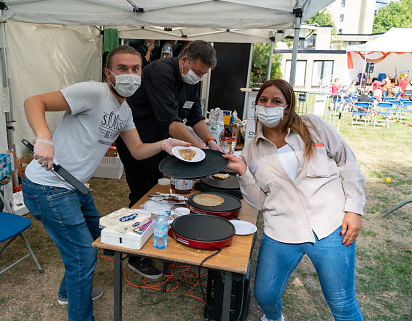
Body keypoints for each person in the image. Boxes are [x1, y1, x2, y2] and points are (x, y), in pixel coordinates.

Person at [21, 45, 188, 321]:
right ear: (108, 73)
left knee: (97, 238)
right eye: (122, 69)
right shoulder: (92, 91)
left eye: (136, 69)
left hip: (75, 186)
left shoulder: (124, 111)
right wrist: (43, 136)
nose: (130, 75)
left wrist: (164, 144)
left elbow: (136, 150)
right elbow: (33, 101)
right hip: (49, 187)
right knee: (83, 256)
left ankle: (69, 293)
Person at [224, 79, 365, 321]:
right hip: (282, 231)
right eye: (263, 101)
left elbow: (347, 162)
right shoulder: (252, 149)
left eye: (276, 101)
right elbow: (258, 201)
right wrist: (244, 172)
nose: (268, 106)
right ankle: (273, 317)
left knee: (342, 302)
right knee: (265, 294)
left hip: (330, 227)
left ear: (287, 107)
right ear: (256, 105)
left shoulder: (314, 126)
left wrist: (354, 209)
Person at [116, 40, 222, 279]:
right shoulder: (159, 73)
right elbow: (171, 122)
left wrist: (210, 142)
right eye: (198, 72)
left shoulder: (190, 79)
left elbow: (194, 115)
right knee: (143, 192)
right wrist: (200, 149)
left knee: (160, 191)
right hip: (139, 142)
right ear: (184, 60)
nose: (200, 77)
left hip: (165, 142)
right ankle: (136, 255)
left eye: (204, 74)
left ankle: (157, 235)